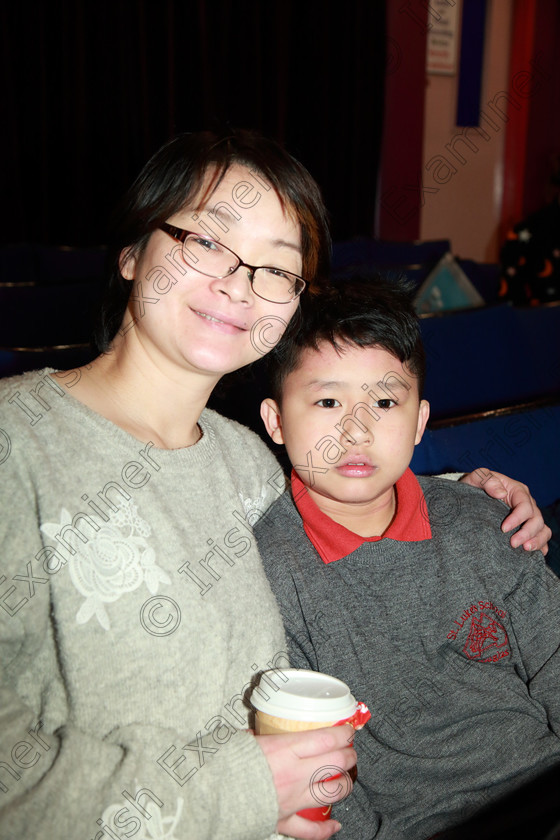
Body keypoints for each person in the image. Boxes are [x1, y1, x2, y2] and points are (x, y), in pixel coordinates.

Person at [0, 130, 551, 840]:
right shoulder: (19, 443)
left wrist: (472, 494)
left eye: (276, 269)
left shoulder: (249, 466)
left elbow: (353, 500)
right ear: (133, 252)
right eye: (207, 241)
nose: (240, 284)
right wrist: (247, 788)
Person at [254, 275, 560, 840]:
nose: (356, 428)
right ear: (275, 421)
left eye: (385, 401)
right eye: (327, 400)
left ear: (419, 421)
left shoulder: (483, 519)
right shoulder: (269, 573)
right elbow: (315, 768)